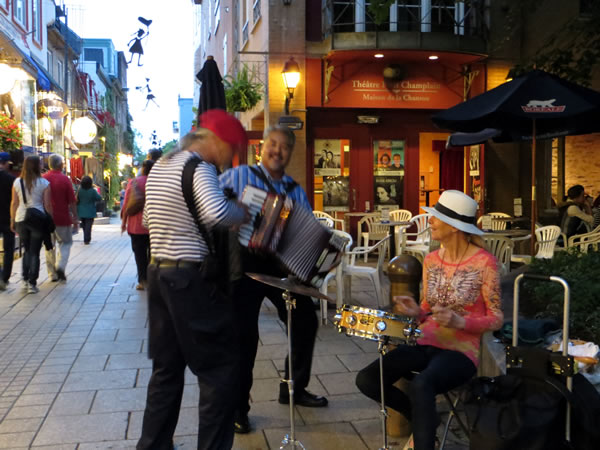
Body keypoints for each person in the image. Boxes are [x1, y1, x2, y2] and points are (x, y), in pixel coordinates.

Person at [356, 190, 503, 450]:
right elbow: (428, 307)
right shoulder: (432, 259)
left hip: (461, 351)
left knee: (422, 384)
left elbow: (496, 319)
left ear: (454, 227)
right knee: (368, 379)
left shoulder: (485, 263)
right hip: (425, 342)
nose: (430, 221)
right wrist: (417, 311)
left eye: (435, 218)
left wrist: (460, 322)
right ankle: (424, 419)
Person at [136, 109, 249, 450]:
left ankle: (153, 445)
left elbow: (148, 214)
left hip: (159, 274)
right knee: (219, 370)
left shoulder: (160, 167)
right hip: (188, 278)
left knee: (167, 369)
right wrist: (241, 213)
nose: (230, 158)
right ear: (215, 142)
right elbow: (216, 213)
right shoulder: (199, 168)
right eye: (230, 150)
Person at [220, 125, 327, 436]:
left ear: (291, 153)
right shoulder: (238, 177)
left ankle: (292, 387)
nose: (277, 151)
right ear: (261, 148)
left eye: (284, 147)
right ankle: (238, 409)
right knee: (244, 338)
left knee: (305, 321)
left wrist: (314, 258)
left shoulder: (295, 190)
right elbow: (210, 203)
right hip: (245, 264)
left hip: (280, 267)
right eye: (273, 145)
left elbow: (305, 229)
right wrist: (233, 215)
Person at [10, 155, 53, 294]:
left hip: (21, 219)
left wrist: (12, 220)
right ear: (36, 166)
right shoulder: (44, 183)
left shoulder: (17, 182)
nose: (42, 165)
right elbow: (47, 205)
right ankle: (32, 282)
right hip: (38, 220)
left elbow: (14, 203)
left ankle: (24, 278)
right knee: (35, 251)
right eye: (40, 163)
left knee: (26, 249)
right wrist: (50, 219)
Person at [44, 154, 79, 283]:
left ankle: (52, 274)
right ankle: (60, 266)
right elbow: (72, 201)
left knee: (49, 246)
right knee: (65, 243)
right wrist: (75, 217)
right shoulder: (65, 180)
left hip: (46, 219)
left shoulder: (43, 178)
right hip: (62, 217)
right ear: (60, 165)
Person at [121, 160, 154, 290]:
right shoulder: (158, 182)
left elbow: (126, 204)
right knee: (153, 254)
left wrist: (124, 223)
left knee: (139, 254)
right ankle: (153, 279)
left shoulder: (134, 182)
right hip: (154, 225)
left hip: (136, 226)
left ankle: (142, 280)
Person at [0, 152, 15, 291]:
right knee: (9, 249)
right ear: (6, 163)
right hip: (7, 218)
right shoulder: (11, 179)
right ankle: (5, 277)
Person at [77, 176, 102, 245]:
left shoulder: (80, 190)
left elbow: (76, 198)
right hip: (90, 210)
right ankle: (87, 239)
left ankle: (86, 237)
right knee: (88, 225)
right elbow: (99, 198)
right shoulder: (92, 191)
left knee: (84, 225)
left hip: (81, 210)